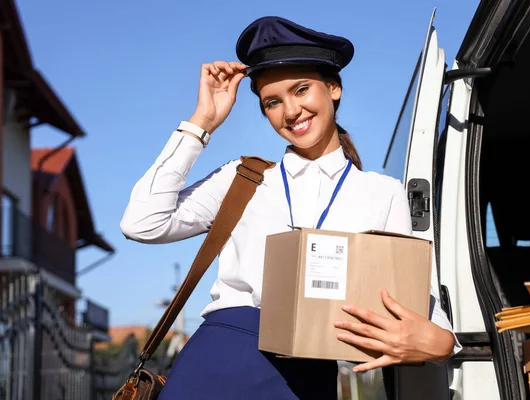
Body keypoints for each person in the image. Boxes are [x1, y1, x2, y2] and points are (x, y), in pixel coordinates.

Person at [120, 16, 461, 400]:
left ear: (333, 88)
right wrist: (203, 122)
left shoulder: (383, 193)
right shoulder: (243, 178)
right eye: (273, 102)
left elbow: (417, 305)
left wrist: (445, 344)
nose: (291, 110)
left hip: (307, 378)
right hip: (215, 365)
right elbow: (141, 223)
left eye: (301, 89)